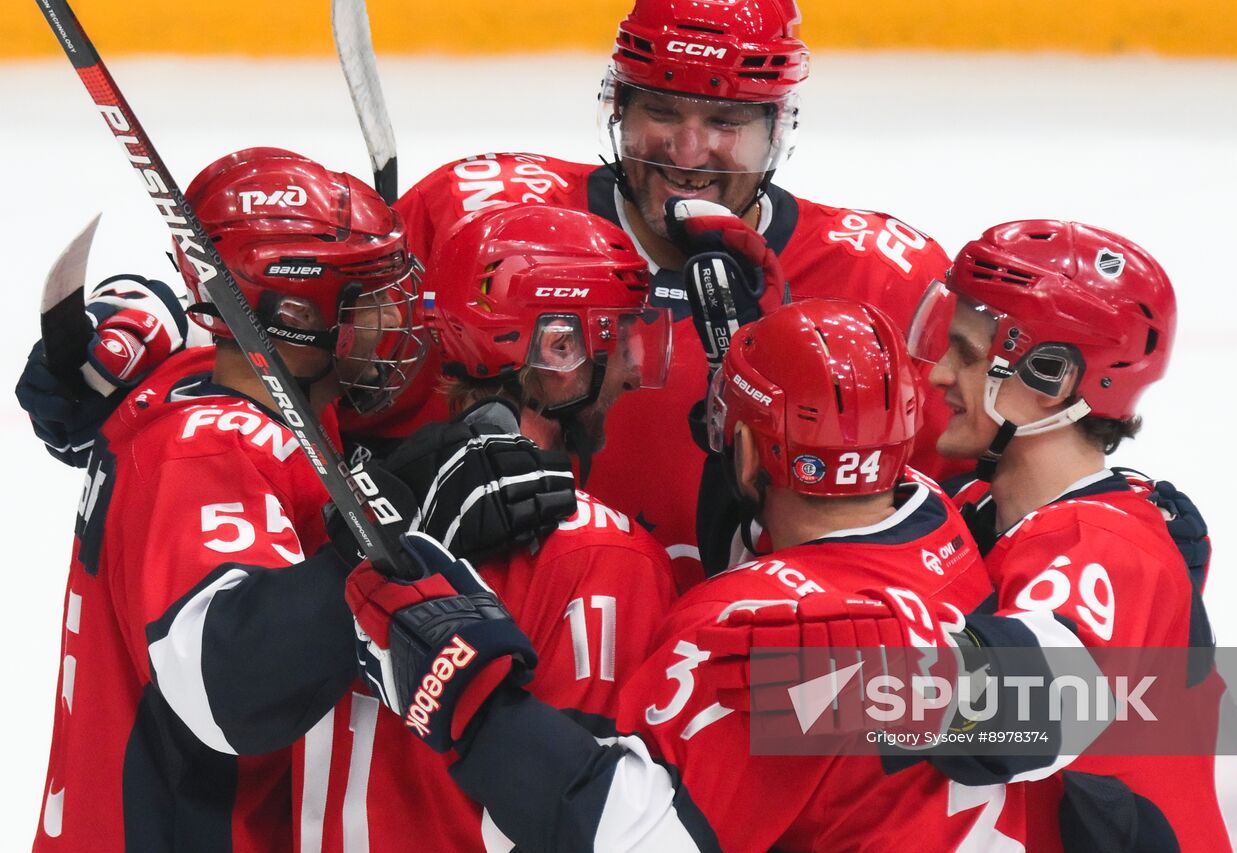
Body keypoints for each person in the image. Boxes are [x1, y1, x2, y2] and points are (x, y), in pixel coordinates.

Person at [343, 299, 1090, 851]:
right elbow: (1094, 697)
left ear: (745, 453)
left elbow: (628, 836)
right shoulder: (943, 524)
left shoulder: (750, 638)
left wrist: (463, 691)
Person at [385, 0, 962, 580]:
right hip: (514, 644)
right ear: (619, 109)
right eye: (661, 111)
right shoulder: (474, 223)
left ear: (776, 130)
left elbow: (942, 516)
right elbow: (347, 421)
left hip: (751, 651)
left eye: (725, 121)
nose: (689, 154)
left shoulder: (883, 282)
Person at [32, 147, 428, 852]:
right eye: (366, 297)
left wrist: (142, 301)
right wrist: (365, 552)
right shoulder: (208, 454)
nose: (393, 317)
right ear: (294, 313)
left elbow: (197, 327)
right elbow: (229, 688)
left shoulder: (231, 392)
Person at [296, 203, 679, 851]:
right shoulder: (609, 553)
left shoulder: (352, 508)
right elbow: (600, 816)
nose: (637, 366)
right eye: (621, 332)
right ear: (560, 347)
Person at [904, 219, 1237, 851]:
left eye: (967, 356)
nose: (939, 375)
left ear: (1050, 379)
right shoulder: (980, 509)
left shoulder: (1108, 547)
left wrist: (804, 687)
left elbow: (1012, 713)